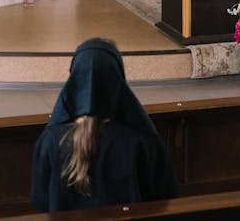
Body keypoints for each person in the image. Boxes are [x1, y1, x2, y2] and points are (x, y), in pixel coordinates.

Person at [30, 38, 180, 212]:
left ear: (75, 80)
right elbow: (167, 197)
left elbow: (40, 202)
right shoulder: (142, 143)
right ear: (117, 80)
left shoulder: (50, 141)